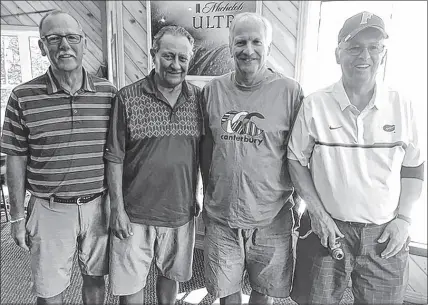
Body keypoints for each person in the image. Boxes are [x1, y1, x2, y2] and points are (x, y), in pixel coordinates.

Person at [288, 11, 425, 305]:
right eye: (354, 47)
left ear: (383, 54)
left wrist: (404, 219)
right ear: (338, 54)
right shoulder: (314, 105)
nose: (364, 55)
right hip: (325, 229)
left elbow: (414, 168)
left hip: (384, 236)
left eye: (373, 47)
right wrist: (317, 214)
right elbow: (295, 161)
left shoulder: (404, 106)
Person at [0, 10, 116, 305]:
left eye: (72, 37)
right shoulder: (22, 96)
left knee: (95, 279)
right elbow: (15, 158)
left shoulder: (109, 94)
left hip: (98, 207)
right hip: (49, 209)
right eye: (54, 38)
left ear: (84, 42)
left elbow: (117, 153)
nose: (64, 45)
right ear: (42, 46)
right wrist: (15, 217)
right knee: (49, 290)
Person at [200, 12, 304, 305]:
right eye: (241, 42)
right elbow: (205, 149)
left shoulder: (290, 91)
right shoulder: (212, 90)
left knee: (265, 290)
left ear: (268, 48)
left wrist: (301, 201)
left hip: (272, 215)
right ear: (230, 46)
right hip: (222, 215)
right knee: (226, 291)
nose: (249, 50)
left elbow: (299, 153)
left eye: (257, 42)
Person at [104, 25, 203, 305]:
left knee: (170, 277)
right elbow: (114, 156)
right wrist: (117, 208)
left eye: (183, 58)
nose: (176, 64)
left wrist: (198, 195)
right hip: (135, 214)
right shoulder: (127, 97)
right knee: (130, 287)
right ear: (153, 54)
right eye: (168, 56)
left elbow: (202, 154)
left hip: (180, 213)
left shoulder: (198, 99)